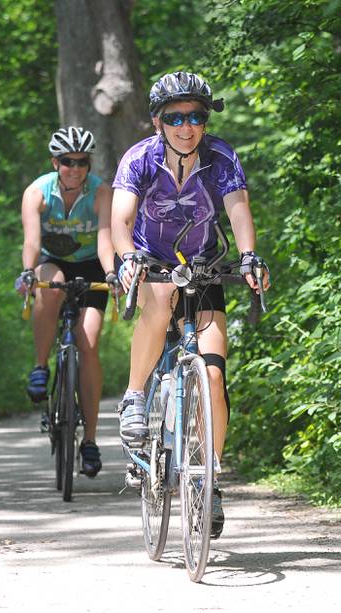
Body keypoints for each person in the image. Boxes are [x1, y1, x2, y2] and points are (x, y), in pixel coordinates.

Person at [111, 72, 270, 538]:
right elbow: (120, 218)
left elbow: (238, 209)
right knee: (158, 302)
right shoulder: (140, 158)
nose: (187, 126)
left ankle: (211, 478)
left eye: (197, 116)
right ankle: (135, 397)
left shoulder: (219, 157)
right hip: (151, 261)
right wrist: (127, 259)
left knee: (215, 376)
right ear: (158, 121)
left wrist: (248, 257)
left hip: (203, 264)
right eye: (176, 118)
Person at [15, 126, 116, 478]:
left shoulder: (102, 192)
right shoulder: (37, 192)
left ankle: (88, 440)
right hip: (51, 261)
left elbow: (106, 239)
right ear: (55, 162)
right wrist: (28, 271)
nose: (75, 168)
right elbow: (31, 239)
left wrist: (112, 273)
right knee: (51, 285)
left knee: (87, 344)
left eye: (82, 162)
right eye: (67, 162)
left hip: (91, 265)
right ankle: (41, 365)